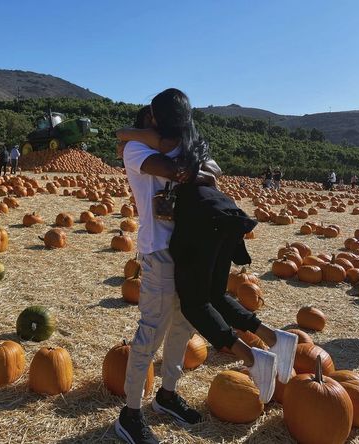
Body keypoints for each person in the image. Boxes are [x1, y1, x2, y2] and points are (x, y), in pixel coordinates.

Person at [115, 89, 296, 444]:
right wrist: (186, 165)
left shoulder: (183, 146)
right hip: (160, 251)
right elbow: (176, 171)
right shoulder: (136, 149)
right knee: (150, 333)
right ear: (148, 125)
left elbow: (213, 172)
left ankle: (167, 395)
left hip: (191, 248)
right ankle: (131, 413)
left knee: (183, 327)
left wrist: (192, 167)